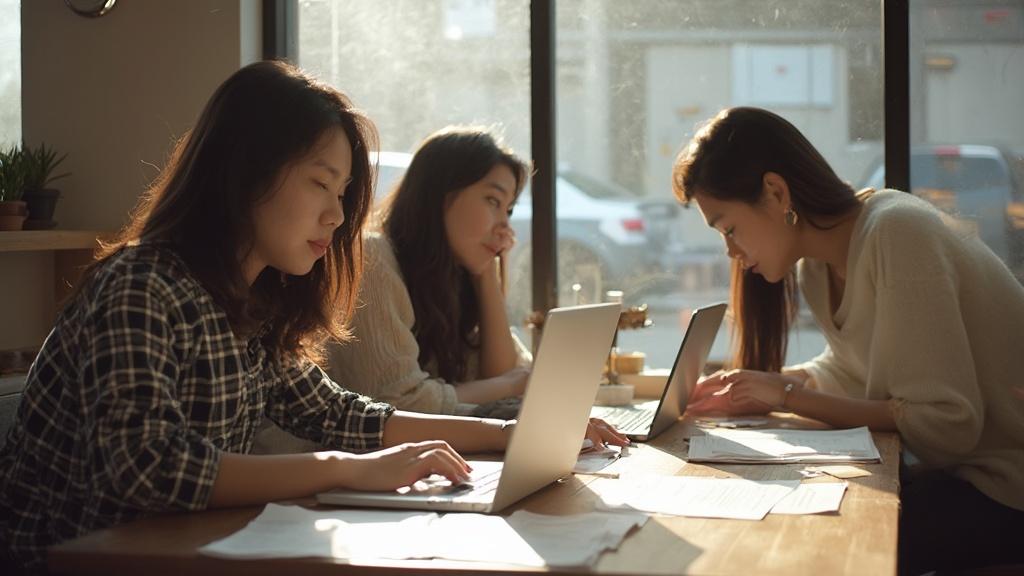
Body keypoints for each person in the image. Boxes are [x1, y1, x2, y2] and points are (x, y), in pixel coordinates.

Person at [0, 62, 626, 574]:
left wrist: (513, 437)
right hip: (70, 559)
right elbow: (146, 465)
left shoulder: (258, 305)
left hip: (182, 551)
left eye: (343, 193)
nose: (336, 214)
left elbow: (339, 412)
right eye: (320, 184)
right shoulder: (141, 285)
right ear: (245, 173)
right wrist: (351, 469)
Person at [671, 106, 1024, 575]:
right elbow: (854, 369)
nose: (731, 252)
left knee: (814, 549)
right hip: (957, 475)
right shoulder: (817, 266)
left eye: (729, 228)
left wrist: (790, 396)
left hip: (1006, 482)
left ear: (776, 192)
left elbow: (947, 426)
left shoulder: (897, 230)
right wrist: (771, 383)